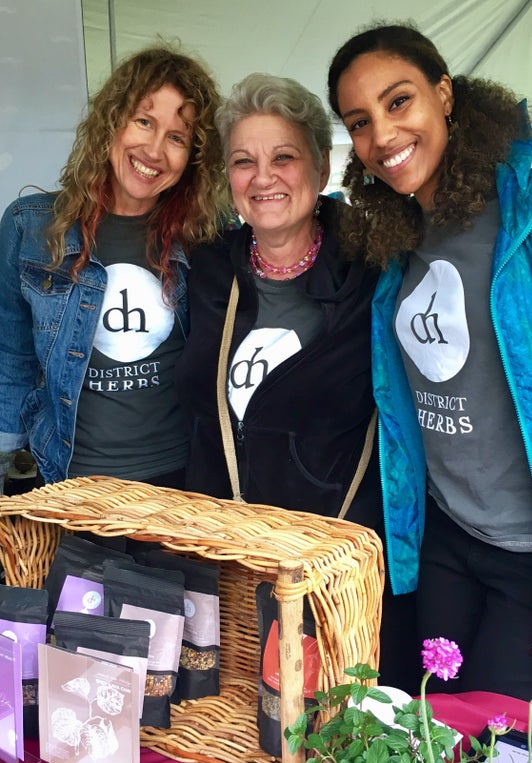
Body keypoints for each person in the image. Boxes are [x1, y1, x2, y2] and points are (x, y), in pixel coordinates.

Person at [326, 23, 532, 704]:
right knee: (425, 747)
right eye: (359, 121)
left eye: (399, 101)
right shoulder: (397, 238)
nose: (382, 134)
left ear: (445, 95)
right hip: (445, 539)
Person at [175, 73, 420, 690]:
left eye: (283, 156)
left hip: (336, 571)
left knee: (332, 741)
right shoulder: (207, 271)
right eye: (243, 161)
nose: (264, 178)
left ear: (321, 163)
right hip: (228, 565)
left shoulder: (375, 268)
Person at [0, 43, 227, 535]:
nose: (155, 150)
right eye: (143, 121)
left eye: (177, 137)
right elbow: (13, 361)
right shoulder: (30, 228)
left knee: (187, 615)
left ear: (193, 157)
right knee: (79, 614)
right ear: (111, 123)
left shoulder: (206, 234)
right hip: (72, 488)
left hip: (186, 491)